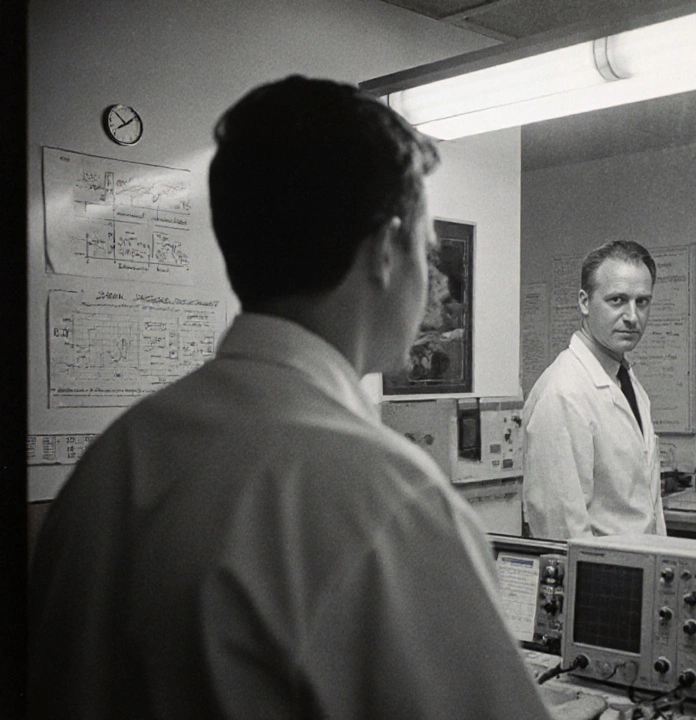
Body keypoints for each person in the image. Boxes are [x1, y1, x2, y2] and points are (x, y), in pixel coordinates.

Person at [27, 76, 601, 720]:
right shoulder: (385, 501)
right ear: (387, 251)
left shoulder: (109, 465)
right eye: (428, 249)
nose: (433, 283)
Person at [523, 240, 667, 540]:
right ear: (584, 302)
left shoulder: (624, 379)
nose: (632, 316)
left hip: (641, 567)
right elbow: (560, 527)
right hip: (601, 581)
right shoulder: (563, 392)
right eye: (617, 300)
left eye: (642, 302)